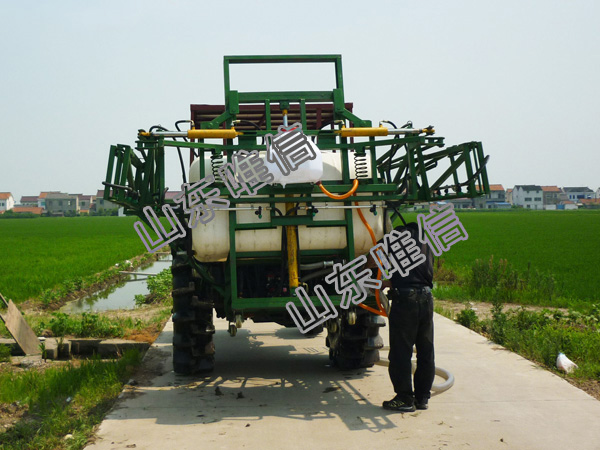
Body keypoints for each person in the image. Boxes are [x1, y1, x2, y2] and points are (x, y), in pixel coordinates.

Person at [382, 221, 435, 413]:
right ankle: (422, 398)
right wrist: (390, 281)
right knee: (425, 350)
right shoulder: (426, 241)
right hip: (427, 299)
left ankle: (404, 398)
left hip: (406, 301)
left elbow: (373, 258)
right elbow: (416, 274)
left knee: (400, 352)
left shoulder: (396, 236)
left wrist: (368, 276)